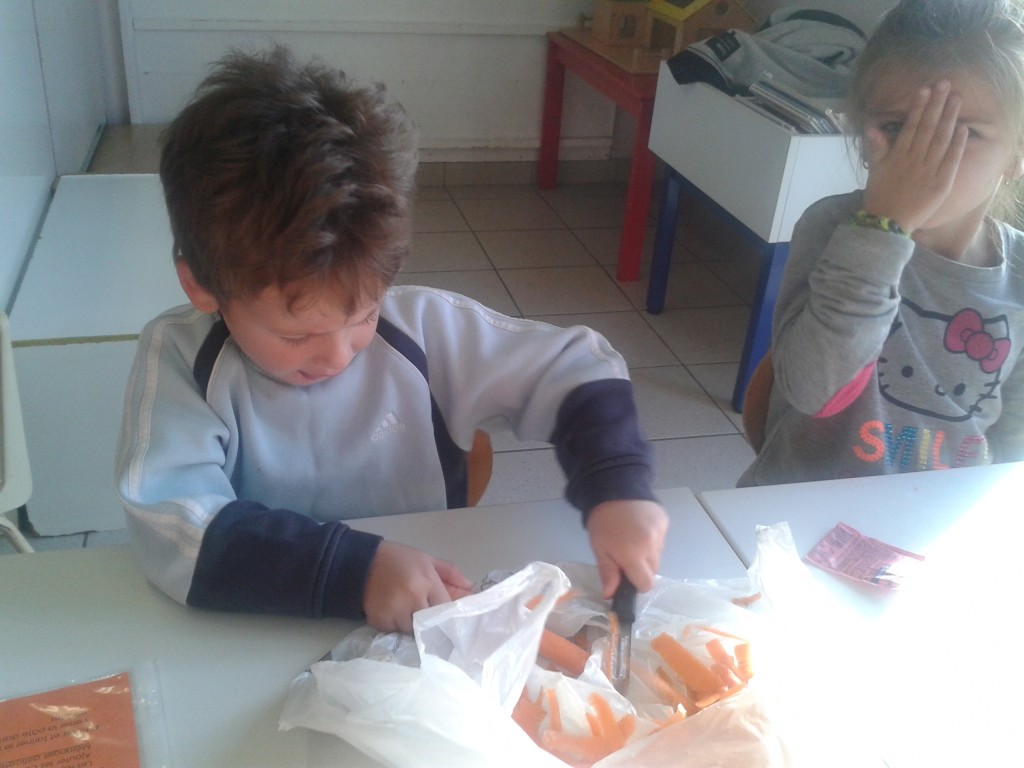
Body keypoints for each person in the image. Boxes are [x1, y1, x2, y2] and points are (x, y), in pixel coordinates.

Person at [115, 46, 668, 633]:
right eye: (296, 334)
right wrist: (354, 571)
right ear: (202, 287)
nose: (337, 356)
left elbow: (577, 369)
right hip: (259, 622)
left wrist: (617, 485)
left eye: (364, 315)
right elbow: (173, 529)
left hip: (427, 623)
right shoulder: (179, 360)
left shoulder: (424, 330)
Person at [739, 0, 1024, 486]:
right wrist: (883, 227)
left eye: (965, 133)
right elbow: (811, 390)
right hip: (803, 504)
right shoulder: (833, 227)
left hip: (937, 512)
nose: (923, 158)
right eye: (897, 128)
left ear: (1016, 154)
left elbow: (1014, 440)